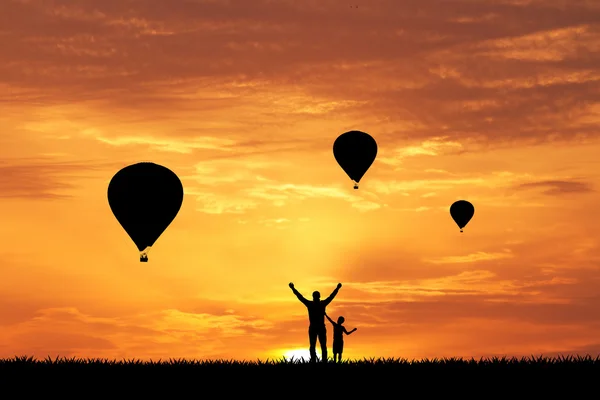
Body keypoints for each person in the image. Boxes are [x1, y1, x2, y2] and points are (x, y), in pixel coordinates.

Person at [289, 282, 342, 363]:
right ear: (318, 296)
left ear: (313, 297)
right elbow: (331, 296)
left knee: (317, 346)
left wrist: (293, 288)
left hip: (316, 327)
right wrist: (337, 288)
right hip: (317, 327)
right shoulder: (320, 304)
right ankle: (320, 361)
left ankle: (317, 361)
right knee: (319, 346)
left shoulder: (312, 304)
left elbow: (300, 297)